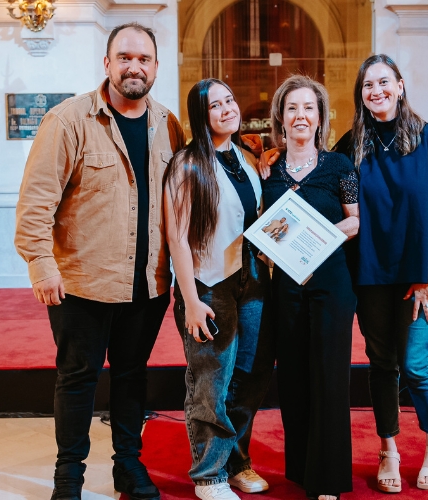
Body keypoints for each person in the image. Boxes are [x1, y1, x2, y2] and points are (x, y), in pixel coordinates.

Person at [14, 22, 186, 500]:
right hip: (81, 284)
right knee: (77, 379)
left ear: (156, 67)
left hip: (148, 284)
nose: (135, 67)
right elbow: (35, 203)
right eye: (125, 57)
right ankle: (68, 476)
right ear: (107, 63)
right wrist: (41, 265)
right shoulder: (68, 120)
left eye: (144, 59)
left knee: (132, 378)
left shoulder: (168, 124)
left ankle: (128, 466)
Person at [334, 54, 428, 493]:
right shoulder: (351, 144)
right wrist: (271, 159)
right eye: (368, 85)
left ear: (400, 86)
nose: (377, 91)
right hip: (369, 274)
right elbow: (322, 180)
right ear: (361, 94)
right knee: (382, 364)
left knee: (416, 363)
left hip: (422, 274)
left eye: (384, 82)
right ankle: (388, 449)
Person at [163, 78, 274, 500]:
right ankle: (209, 475)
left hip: (252, 279)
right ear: (201, 115)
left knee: (249, 375)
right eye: (215, 105)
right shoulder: (187, 164)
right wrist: (190, 300)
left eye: (230, 100)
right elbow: (177, 238)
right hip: (208, 284)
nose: (227, 109)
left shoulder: (244, 157)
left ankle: (237, 461)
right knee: (212, 379)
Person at [262, 75, 360, 500]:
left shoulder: (340, 166)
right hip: (286, 286)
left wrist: (320, 237)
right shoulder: (266, 170)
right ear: (281, 118)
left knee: (329, 377)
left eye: (308, 108)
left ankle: (329, 479)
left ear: (320, 117)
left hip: (331, 284)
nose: (300, 115)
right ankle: (302, 468)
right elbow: (264, 224)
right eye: (292, 108)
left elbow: (355, 220)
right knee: (293, 377)